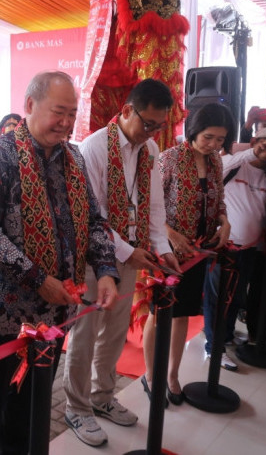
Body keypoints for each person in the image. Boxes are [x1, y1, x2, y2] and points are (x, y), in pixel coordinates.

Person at [0, 71, 119, 454]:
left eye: (72, 113)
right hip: (3, 314)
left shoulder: (74, 158)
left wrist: (106, 271)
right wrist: (36, 278)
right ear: (30, 106)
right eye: (58, 112)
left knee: (31, 404)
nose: (66, 123)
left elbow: (94, 219)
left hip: (53, 313)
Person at [63, 79, 181, 446]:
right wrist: (130, 252)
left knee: (115, 331)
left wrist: (162, 249)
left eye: (159, 126)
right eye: (148, 123)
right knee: (84, 335)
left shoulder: (149, 150)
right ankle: (77, 408)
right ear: (127, 110)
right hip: (91, 257)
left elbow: (155, 208)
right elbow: (90, 216)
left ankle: (101, 397)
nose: (152, 132)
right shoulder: (94, 147)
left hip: (130, 253)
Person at [143, 103, 233, 404]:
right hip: (167, 253)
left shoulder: (216, 163)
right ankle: (150, 375)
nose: (214, 145)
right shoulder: (170, 158)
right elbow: (149, 207)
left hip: (197, 251)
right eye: (209, 137)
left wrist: (224, 221)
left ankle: (171, 374)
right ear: (194, 130)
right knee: (158, 315)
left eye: (220, 140)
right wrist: (170, 234)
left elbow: (219, 200)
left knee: (182, 316)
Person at [202, 127, 266, 370]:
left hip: (249, 248)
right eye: (265, 143)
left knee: (235, 298)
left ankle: (225, 337)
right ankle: (213, 349)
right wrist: (253, 152)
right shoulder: (234, 163)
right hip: (223, 246)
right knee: (217, 300)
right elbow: (220, 165)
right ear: (255, 141)